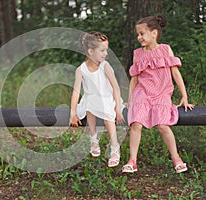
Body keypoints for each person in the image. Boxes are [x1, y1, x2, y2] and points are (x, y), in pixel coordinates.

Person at [122, 14, 194, 173]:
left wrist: (184, 96)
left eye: (142, 33)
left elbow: (175, 74)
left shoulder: (165, 49)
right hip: (143, 92)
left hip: (162, 93)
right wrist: (130, 99)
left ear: (154, 33)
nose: (139, 37)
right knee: (136, 123)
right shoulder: (137, 54)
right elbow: (134, 79)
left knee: (162, 125)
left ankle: (176, 158)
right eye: (138, 34)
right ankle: (132, 160)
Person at [70, 31, 125, 167]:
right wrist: (73, 112)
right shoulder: (81, 69)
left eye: (106, 50)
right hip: (91, 99)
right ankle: (93, 139)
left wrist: (118, 108)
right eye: (102, 50)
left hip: (108, 98)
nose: (106, 53)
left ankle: (115, 147)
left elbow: (116, 88)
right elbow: (76, 91)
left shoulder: (105, 66)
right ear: (91, 51)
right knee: (89, 105)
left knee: (107, 112)